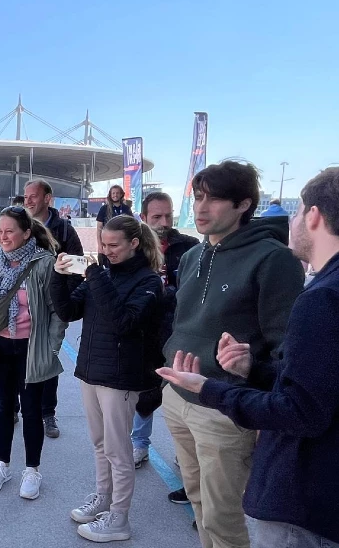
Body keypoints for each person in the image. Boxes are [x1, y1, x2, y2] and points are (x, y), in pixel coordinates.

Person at [157, 167, 339, 548]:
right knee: (199, 504)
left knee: (223, 518)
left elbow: (289, 351)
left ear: (243, 204)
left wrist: (257, 402)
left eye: (214, 198)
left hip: (225, 410)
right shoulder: (192, 256)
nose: (201, 207)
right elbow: (180, 319)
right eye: (198, 196)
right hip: (178, 396)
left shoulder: (274, 259)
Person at [50, 216, 164, 543]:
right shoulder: (103, 273)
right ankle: (103, 498)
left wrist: (95, 274)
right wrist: (59, 278)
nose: (107, 251)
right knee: (100, 445)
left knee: (118, 450)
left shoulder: (148, 282)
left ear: (134, 244)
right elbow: (69, 311)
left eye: (114, 245)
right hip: (91, 371)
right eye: (103, 244)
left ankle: (119, 517)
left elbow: (123, 322)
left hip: (121, 378)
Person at [0, 206, 64, 499]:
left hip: (31, 348)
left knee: (31, 411)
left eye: (10, 231)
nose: (3, 237)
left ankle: (32, 470)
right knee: (2, 406)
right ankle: (2, 464)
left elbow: (57, 311)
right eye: (0, 231)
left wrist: (50, 347)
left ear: (26, 234)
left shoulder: (44, 263)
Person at [131, 193, 200, 472]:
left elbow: (193, 290)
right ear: (143, 218)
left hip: (179, 331)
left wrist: (165, 293)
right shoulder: (132, 247)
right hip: (143, 332)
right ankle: (139, 444)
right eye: (156, 216)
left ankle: (183, 452)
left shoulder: (190, 247)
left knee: (182, 394)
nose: (163, 222)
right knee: (144, 392)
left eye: (168, 216)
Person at [21, 179, 85, 439]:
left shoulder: (65, 230)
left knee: (47, 360)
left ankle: (48, 413)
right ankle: (16, 407)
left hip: (53, 310)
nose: (28, 201)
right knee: (19, 359)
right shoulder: (20, 225)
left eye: (33, 196)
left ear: (48, 199)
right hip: (23, 308)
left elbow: (79, 267)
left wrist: (63, 298)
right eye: (25, 197)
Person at [96, 185, 131, 265]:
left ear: (121, 194)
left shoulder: (126, 208)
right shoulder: (104, 208)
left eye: (117, 193)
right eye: (113, 193)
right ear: (110, 195)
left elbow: (131, 226)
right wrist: (100, 245)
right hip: (107, 244)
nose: (115, 195)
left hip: (122, 244)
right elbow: (99, 228)